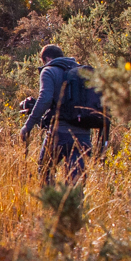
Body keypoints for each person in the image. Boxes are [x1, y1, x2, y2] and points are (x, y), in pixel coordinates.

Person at [20, 43, 94, 180]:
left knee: (45, 173)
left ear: (47, 58)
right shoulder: (82, 72)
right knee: (75, 182)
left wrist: (27, 126)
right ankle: (74, 201)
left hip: (59, 134)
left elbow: (45, 99)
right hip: (83, 135)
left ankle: (51, 201)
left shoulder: (49, 71)